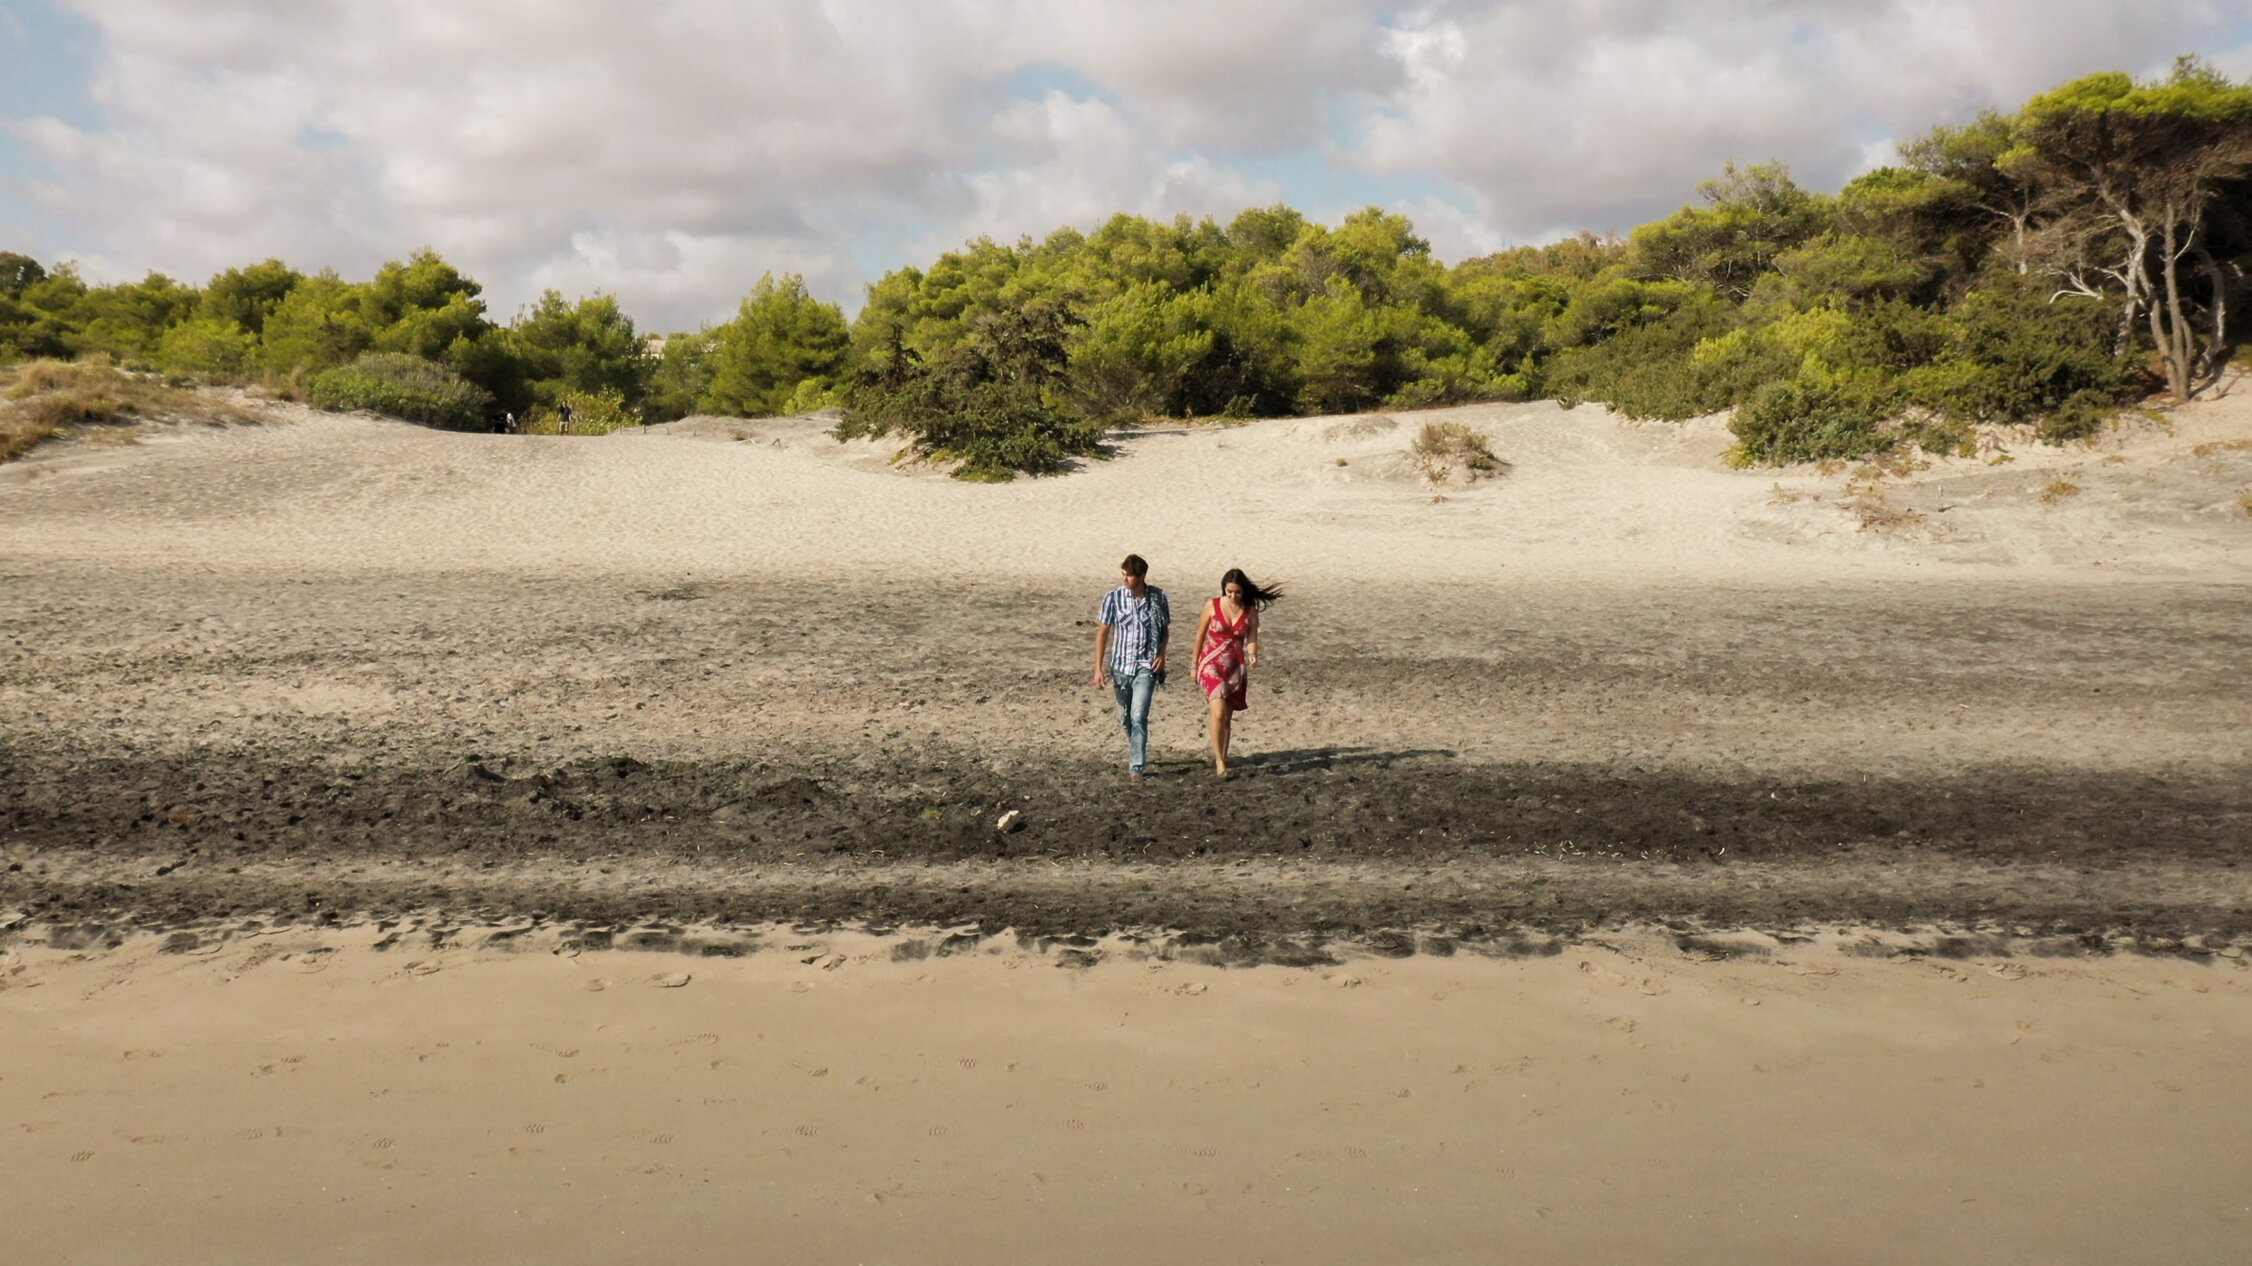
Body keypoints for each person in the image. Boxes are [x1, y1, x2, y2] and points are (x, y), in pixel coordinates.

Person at [1191, 568, 1282, 778]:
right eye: (1229, 591)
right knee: (1219, 711)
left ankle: (1223, 756)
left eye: (1237, 592)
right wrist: (1193, 665)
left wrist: (1253, 654)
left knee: (1227, 717)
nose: (1233, 596)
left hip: (1234, 667)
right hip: (1210, 664)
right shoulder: (1212, 606)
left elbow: (1251, 638)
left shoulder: (1250, 611)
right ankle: (1219, 761)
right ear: (1224, 588)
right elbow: (1199, 635)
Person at [1093, 554, 1169, 778]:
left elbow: (1165, 629)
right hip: (1120, 667)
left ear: (1142, 576)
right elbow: (1103, 632)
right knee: (1125, 717)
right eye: (1123, 574)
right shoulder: (1113, 598)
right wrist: (1098, 668)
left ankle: (1136, 765)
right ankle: (1137, 746)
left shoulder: (1157, 598)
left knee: (1139, 715)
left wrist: (1162, 653)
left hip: (1146, 665)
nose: (1124, 579)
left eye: (1129, 576)